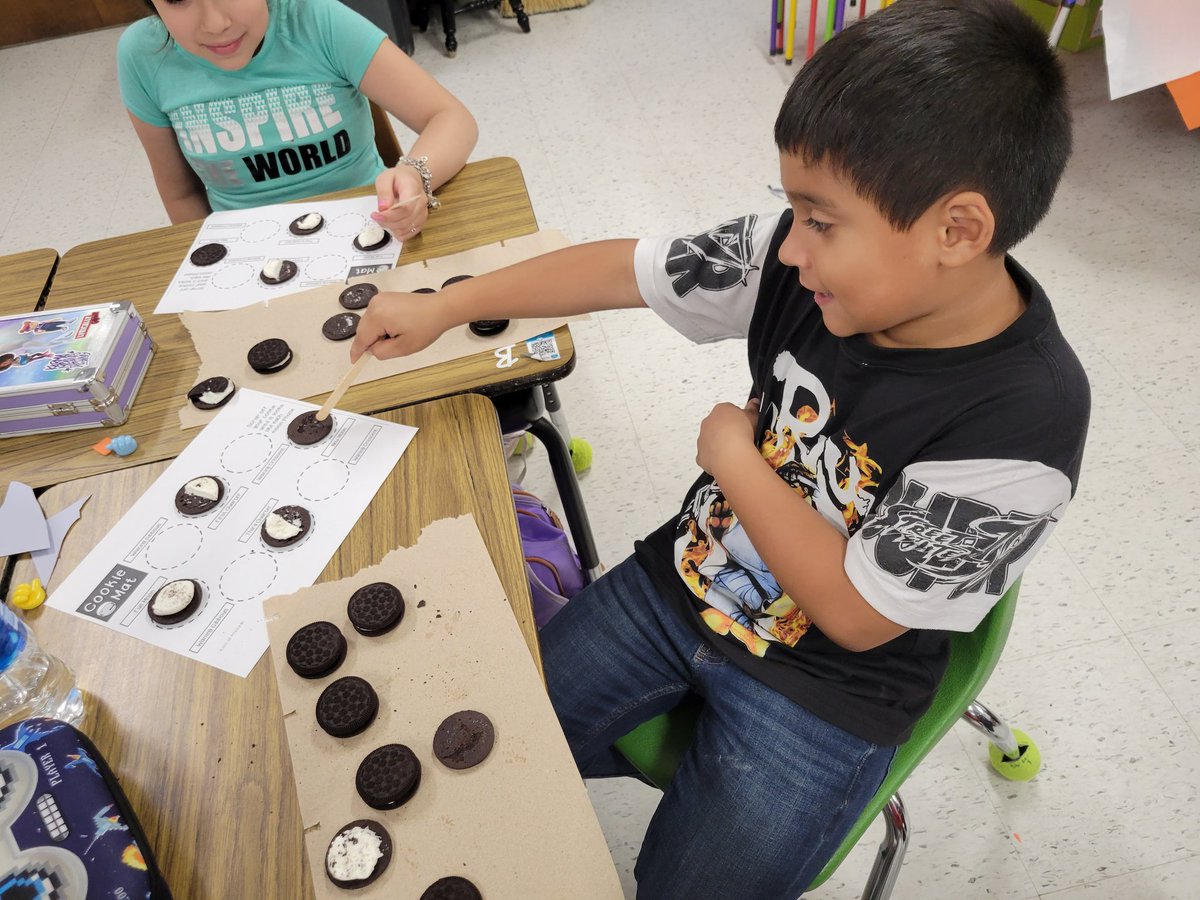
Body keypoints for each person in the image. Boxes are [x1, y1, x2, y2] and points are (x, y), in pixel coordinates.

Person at [352, 0, 1089, 895]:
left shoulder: (1026, 417)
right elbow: (622, 269)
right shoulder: (796, 259)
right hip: (682, 584)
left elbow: (859, 615)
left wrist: (735, 459)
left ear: (958, 230)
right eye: (793, 212)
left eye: (822, 222)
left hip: (830, 690)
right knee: (473, 759)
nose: (793, 248)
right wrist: (444, 305)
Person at [118, 0, 478, 237]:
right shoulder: (144, 54)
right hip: (247, 253)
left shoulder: (315, 19)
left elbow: (451, 118)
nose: (215, 23)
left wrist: (415, 174)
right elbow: (180, 194)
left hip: (369, 229)